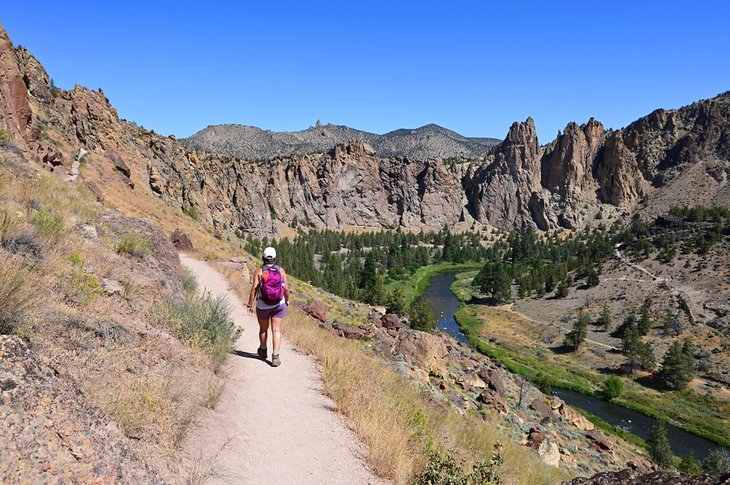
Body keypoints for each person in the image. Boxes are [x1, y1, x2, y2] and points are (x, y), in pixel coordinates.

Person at [247, 246, 289, 367]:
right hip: (279, 304)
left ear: (263, 258)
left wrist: (250, 304)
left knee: (263, 329)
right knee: (276, 330)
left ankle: (263, 350)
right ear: (275, 258)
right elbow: (286, 288)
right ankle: (275, 357)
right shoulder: (281, 271)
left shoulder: (259, 271)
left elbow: (254, 290)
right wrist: (287, 300)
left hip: (263, 305)